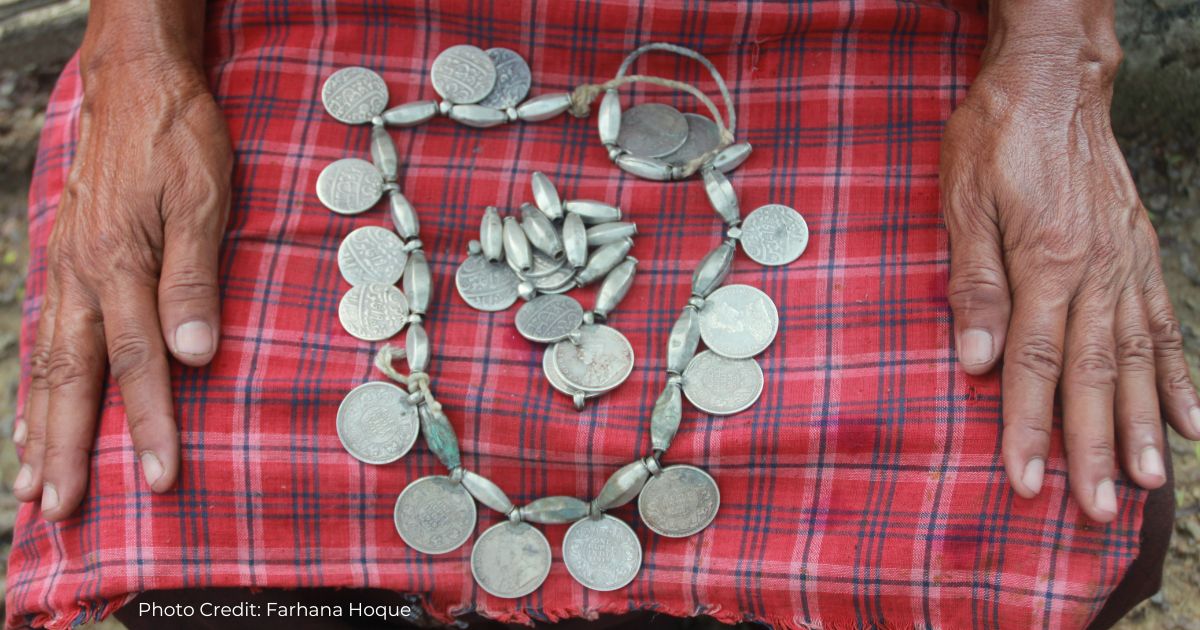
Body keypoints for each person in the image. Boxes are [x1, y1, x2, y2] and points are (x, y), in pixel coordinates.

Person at [7, 0, 1197, 628]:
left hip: (834, 36)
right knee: (181, 519)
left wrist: (1057, 68)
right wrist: (137, 64)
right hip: (357, 31)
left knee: (1032, 509)